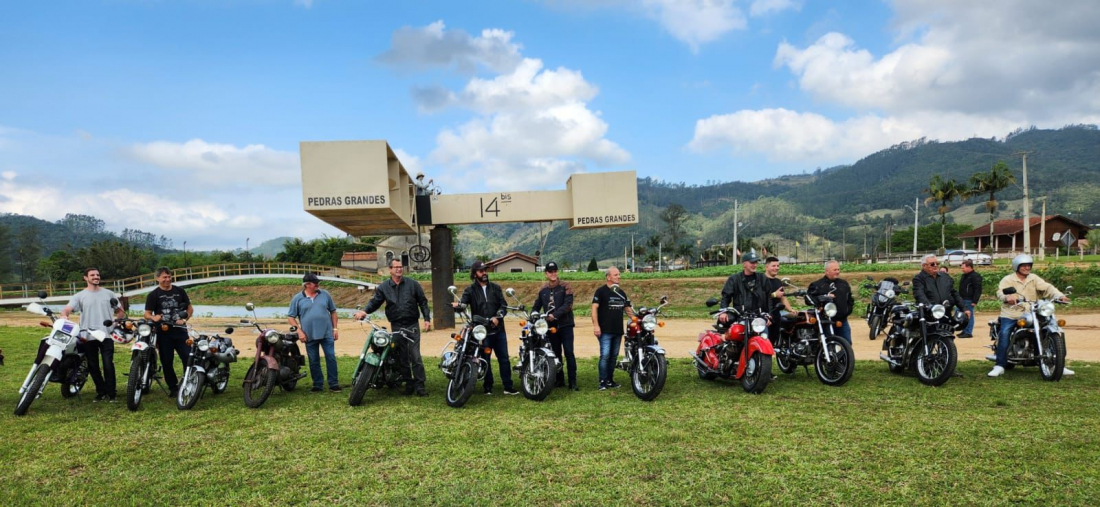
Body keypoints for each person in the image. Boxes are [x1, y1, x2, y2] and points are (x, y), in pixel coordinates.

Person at [353, 258, 431, 396]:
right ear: (390, 269)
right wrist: (364, 311)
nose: (399, 269)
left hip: (412, 325)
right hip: (396, 325)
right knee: (402, 357)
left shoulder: (413, 284)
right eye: (396, 267)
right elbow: (375, 302)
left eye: (401, 267)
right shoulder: (384, 287)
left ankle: (420, 386)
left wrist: (426, 319)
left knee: (415, 356)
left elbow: (423, 302)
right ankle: (408, 383)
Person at [989, 254, 1072, 377]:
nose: (1027, 268)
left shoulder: (1033, 278)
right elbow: (1000, 292)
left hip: (1033, 311)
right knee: (1005, 333)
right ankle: (1000, 365)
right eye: (1024, 266)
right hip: (1012, 313)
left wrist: (1059, 296)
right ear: (1017, 266)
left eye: (1029, 265)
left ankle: (1058, 364)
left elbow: (1048, 288)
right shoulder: (1008, 279)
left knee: (1053, 329)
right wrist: (1007, 297)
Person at [60, 267, 124, 402]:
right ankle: (101, 392)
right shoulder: (79, 296)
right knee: (93, 366)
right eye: (92, 275)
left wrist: (116, 323)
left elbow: (120, 310)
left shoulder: (109, 294)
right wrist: (64, 316)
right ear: (86, 278)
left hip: (106, 335)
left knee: (108, 364)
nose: (96, 277)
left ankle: (112, 394)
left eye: (98, 275)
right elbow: (67, 309)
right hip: (87, 336)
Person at [453, 261, 517, 395]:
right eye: (481, 271)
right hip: (482, 331)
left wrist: (498, 317)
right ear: (475, 274)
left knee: (504, 358)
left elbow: (503, 305)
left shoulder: (496, 288)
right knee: (484, 359)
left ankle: (508, 386)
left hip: (498, 330)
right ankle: (488, 387)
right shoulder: (470, 290)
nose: (484, 273)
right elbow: (463, 304)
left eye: (485, 270)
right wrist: (458, 306)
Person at [144, 267, 194, 398]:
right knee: (167, 361)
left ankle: (187, 382)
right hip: (163, 332)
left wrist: (184, 319)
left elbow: (189, 308)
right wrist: (153, 318)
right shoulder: (153, 295)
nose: (167, 279)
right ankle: (173, 387)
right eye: (164, 277)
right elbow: (147, 313)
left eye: (169, 276)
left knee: (188, 357)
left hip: (181, 331)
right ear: (157, 279)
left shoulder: (179, 291)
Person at [288, 272, 341, 392]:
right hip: (309, 335)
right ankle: (317, 384)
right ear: (307, 285)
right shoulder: (297, 298)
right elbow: (291, 317)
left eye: (318, 282)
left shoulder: (325, 294)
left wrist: (335, 328)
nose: (317, 285)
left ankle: (333, 383)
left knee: (331, 357)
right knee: (313, 360)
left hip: (327, 333)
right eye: (315, 283)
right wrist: (299, 331)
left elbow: (333, 311)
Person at [532, 261, 577, 391]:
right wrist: (533, 314)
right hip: (551, 327)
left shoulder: (565, 286)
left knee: (569, 352)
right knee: (555, 353)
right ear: (546, 273)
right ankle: (559, 379)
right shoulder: (543, 290)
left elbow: (568, 304)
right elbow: (536, 305)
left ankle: (573, 382)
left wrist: (555, 315)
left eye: (555, 271)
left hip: (566, 324)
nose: (553, 273)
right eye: (550, 271)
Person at [591, 266, 633, 390]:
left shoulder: (621, 292)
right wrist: (596, 325)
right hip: (604, 330)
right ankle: (602, 382)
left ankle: (610, 380)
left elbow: (628, 310)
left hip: (618, 330)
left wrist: (638, 317)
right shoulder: (601, 291)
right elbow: (594, 308)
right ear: (608, 277)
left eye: (619, 274)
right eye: (616, 275)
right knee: (605, 355)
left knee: (613, 356)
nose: (618, 276)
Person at [718, 251, 773, 324]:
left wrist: (768, 315)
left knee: (764, 334)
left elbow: (769, 298)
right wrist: (723, 312)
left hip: (759, 317)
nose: (755, 265)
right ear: (744, 264)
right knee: (732, 331)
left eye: (756, 262)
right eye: (752, 263)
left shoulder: (762, 278)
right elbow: (726, 297)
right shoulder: (734, 279)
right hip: (740, 316)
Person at [809, 260, 855, 343]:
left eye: (838, 269)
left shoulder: (844, 284)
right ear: (826, 271)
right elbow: (808, 299)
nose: (837, 272)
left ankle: (845, 356)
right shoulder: (817, 285)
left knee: (847, 344)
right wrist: (823, 297)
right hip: (825, 321)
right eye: (835, 270)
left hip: (842, 321)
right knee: (828, 345)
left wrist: (847, 311)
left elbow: (850, 300)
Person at [763, 256, 793, 342]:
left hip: (776, 315)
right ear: (767, 267)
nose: (776, 268)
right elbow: (758, 297)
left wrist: (791, 310)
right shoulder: (761, 280)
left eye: (778, 266)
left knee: (774, 340)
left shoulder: (778, 281)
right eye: (773, 266)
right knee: (765, 341)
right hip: (764, 316)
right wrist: (774, 295)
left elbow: (783, 298)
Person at [958, 259, 983, 338]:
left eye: (963, 268)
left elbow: (978, 289)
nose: (962, 269)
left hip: (969, 299)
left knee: (969, 316)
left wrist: (975, 301)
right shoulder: (964, 275)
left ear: (969, 267)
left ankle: (968, 332)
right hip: (962, 298)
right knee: (962, 316)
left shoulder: (975, 276)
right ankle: (964, 330)